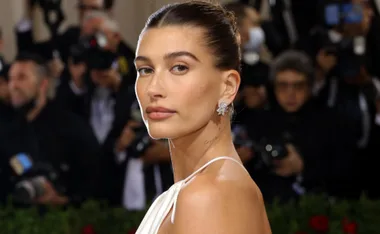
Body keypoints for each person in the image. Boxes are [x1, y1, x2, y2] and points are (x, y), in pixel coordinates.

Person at [134, 1, 271, 234]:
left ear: (227, 87)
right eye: (145, 70)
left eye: (179, 67)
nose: (153, 89)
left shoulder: (209, 195)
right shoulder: (190, 193)